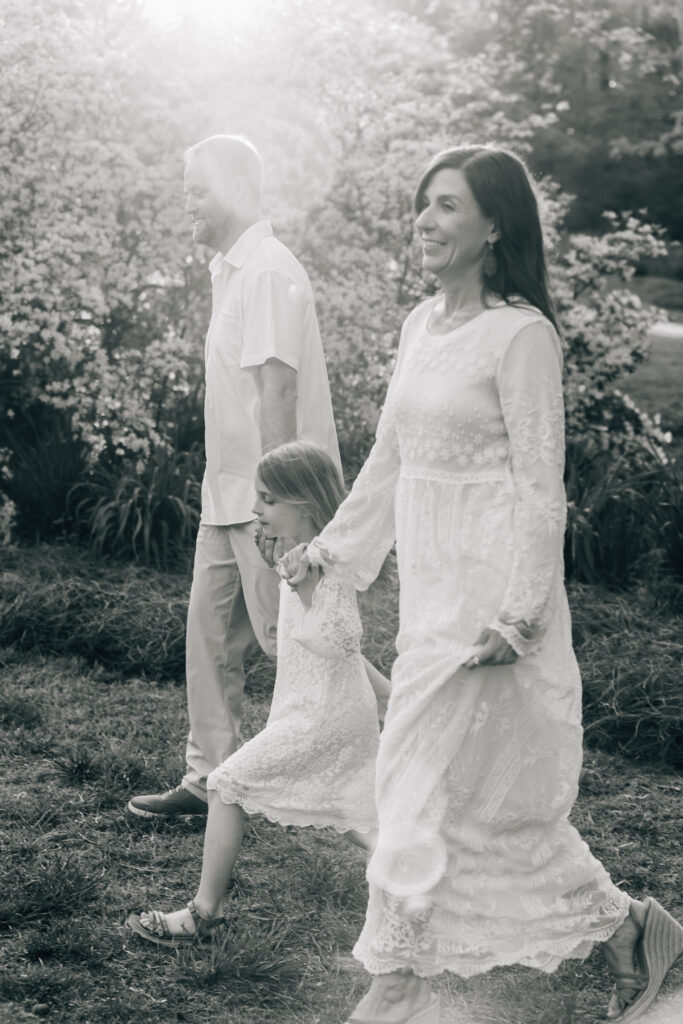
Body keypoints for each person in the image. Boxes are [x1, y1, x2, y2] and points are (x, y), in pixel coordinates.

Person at [281, 146, 683, 1024]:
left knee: (419, 792)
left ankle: (391, 991)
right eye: (422, 204)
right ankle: (627, 929)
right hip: (431, 606)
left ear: (494, 225)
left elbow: (543, 492)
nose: (424, 221)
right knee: (455, 811)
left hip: (491, 611)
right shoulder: (419, 326)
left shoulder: (521, 335)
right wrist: (329, 551)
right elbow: (390, 461)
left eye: (447, 206)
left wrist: (521, 614)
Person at [127, 134, 344, 819]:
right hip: (226, 498)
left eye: (198, 190)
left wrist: (281, 507)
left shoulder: (269, 271)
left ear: (241, 192)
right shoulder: (230, 271)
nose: (186, 203)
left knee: (300, 646)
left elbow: (277, 393)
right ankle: (209, 780)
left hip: (269, 502)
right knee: (212, 641)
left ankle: (379, 769)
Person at [126, 442, 384, 945]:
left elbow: (340, 639)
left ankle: (203, 913)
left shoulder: (323, 564)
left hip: (322, 715)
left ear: (303, 505)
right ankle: (413, 882)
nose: (254, 510)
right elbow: (346, 654)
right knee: (350, 810)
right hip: (325, 706)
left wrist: (306, 584)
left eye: (266, 499)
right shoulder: (302, 559)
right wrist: (389, 694)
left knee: (225, 783)